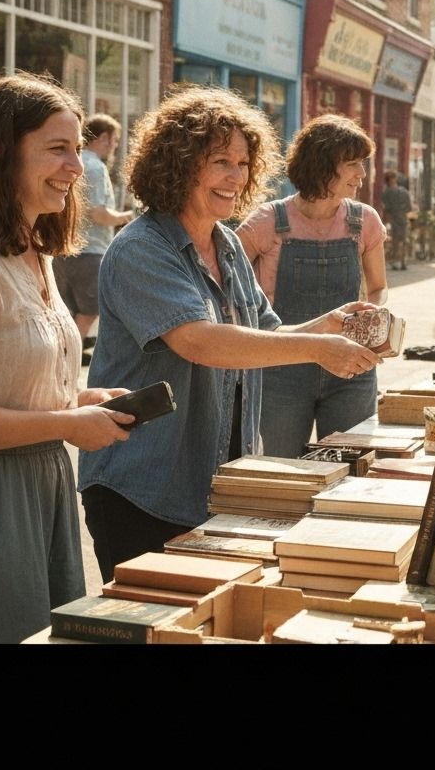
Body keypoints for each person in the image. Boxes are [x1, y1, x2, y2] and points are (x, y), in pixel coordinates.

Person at [79, 89, 379, 583]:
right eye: (220, 161)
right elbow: (199, 341)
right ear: (176, 165)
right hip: (142, 486)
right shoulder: (142, 248)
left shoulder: (229, 246)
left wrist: (326, 325)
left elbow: (264, 335)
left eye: (243, 163)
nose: (235, 176)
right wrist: (317, 347)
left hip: (212, 485)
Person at [0, 74, 134, 643]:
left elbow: (8, 384)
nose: (77, 168)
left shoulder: (37, 253)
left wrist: (81, 402)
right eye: (58, 149)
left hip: (44, 489)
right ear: (1, 153)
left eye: (77, 150)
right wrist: (65, 423)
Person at [238, 114, 388, 460]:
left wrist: (376, 321)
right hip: (281, 372)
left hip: (352, 368)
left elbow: (378, 287)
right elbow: (228, 289)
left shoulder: (364, 221)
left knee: (352, 472)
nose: (361, 175)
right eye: (352, 164)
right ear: (322, 165)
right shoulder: (266, 223)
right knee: (279, 470)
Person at [52, 113, 134, 359]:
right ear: (105, 137)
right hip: (91, 250)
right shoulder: (95, 167)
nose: (115, 145)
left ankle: (62, 356)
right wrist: (126, 217)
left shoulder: (76, 162)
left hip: (66, 249)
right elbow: (97, 213)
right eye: (115, 139)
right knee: (89, 312)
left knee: (69, 312)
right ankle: (66, 359)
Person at [380, 168, 415, 271]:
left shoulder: (386, 193)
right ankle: (403, 262)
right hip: (403, 219)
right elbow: (410, 207)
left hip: (393, 220)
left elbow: (386, 209)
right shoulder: (404, 192)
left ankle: (396, 262)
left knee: (395, 241)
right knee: (403, 240)